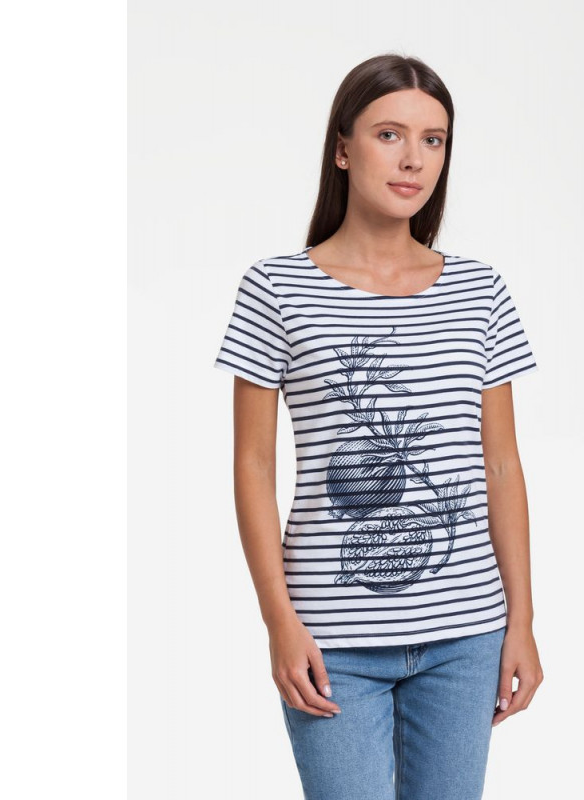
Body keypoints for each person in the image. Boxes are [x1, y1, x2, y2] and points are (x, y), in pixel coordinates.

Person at [213, 52, 544, 800]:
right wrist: (279, 621)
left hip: (466, 634)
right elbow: (253, 466)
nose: (413, 159)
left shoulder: (480, 290)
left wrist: (520, 621)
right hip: (331, 640)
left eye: (433, 140)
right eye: (389, 134)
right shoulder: (276, 287)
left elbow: (501, 466)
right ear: (342, 148)